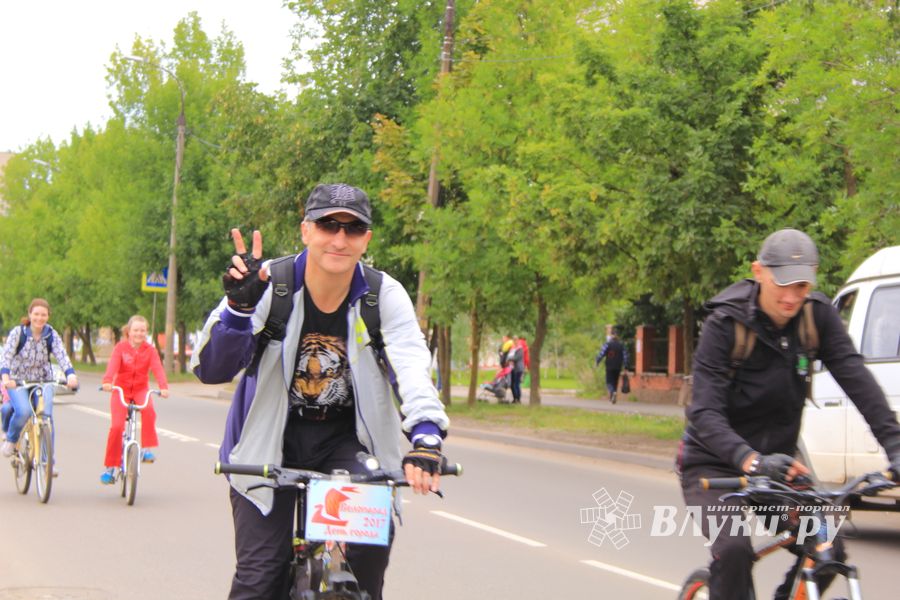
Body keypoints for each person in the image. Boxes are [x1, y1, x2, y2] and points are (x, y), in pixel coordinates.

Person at [190, 183, 450, 600]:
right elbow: (210, 369)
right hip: (266, 441)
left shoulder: (383, 296)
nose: (339, 239)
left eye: (353, 228)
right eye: (328, 225)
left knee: (366, 573)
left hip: (344, 442)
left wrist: (426, 437)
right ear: (306, 230)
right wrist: (238, 311)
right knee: (259, 580)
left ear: (367, 239)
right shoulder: (268, 284)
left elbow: (412, 366)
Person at [678, 229, 900, 600]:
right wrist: (750, 461)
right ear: (759, 272)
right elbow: (704, 411)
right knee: (733, 551)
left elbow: (858, 382)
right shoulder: (726, 324)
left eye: (801, 285)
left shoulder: (817, 318)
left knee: (828, 547)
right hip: (713, 466)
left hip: (779, 468)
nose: (791, 296)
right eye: (783, 283)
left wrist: (895, 445)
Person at [0, 298, 79, 460]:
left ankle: (47, 461)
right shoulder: (18, 332)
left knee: (46, 416)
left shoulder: (51, 334)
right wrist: (6, 377)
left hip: (43, 380)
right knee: (23, 411)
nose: (39, 318)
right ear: (30, 314)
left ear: (48, 316)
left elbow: (62, 355)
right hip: (18, 381)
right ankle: (12, 439)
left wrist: (70, 374)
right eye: (36, 314)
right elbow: (6, 356)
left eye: (43, 315)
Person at [100, 315, 170, 484]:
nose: (139, 333)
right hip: (121, 390)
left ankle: (146, 449)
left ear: (146, 332)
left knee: (149, 411)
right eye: (136, 330)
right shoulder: (120, 348)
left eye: (142, 330)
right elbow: (113, 366)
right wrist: (107, 381)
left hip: (140, 389)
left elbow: (157, 368)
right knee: (117, 427)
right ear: (129, 332)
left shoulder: (150, 350)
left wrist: (163, 386)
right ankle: (110, 468)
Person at [594, 328, 628, 404]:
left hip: (609, 366)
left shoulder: (607, 344)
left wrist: (597, 361)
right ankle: (613, 396)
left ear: (611, 335)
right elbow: (625, 356)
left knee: (609, 382)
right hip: (618, 366)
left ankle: (612, 392)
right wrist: (625, 366)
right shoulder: (621, 345)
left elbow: (602, 353)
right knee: (615, 382)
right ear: (618, 336)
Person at [507, 337, 526, 404]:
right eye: (513, 340)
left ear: (517, 341)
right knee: (512, 384)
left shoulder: (520, 349)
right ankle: (514, 398)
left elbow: (516, 358)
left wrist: (509, 358)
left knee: (516, 384)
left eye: (516, 340)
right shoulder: (512, 349)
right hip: (512, 368)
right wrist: (508, 358)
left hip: (518, 369)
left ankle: (518, 398)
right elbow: (508, 356)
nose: (515, 342)